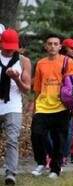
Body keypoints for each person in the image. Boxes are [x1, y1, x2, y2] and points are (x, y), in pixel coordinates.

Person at [31, 34, 73, 179]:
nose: (52, 46)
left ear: (60, 47)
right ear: (45, 46)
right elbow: (37, 88)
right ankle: (41, 162)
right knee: (37, 134)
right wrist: (34, 106)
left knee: (58, 140)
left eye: (56, 44)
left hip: (61, 106)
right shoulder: (40, 63)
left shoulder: (67, 61)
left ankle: (55, 169)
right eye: (49, 44)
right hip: (43, 106)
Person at [0, 28, 31, 185]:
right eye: (6, 46)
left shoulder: (23, 61)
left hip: (13, 106)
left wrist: (17, 79)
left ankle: (11, 173)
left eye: (12, 46)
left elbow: (26, 89)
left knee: (12, 139)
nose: (9, 49)